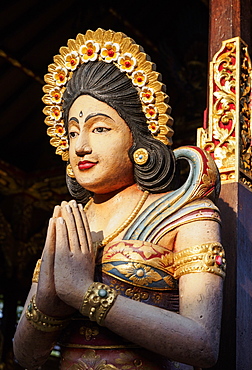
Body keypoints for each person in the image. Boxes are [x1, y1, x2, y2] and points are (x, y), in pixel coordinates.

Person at [13, 28, 225, 370]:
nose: (80, 145)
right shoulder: (71, 222)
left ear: (138, 137)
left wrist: (84, 294)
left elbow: (202, 344)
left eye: (99, 128)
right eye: (71, 131)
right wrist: (50, 301)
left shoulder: (186, 213)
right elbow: (25, 355)